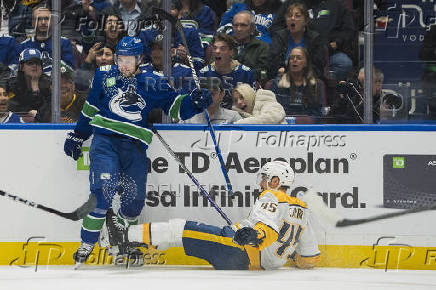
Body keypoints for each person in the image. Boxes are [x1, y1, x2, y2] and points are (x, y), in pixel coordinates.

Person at [63, 36, 213, 267]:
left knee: (134, 203)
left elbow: (175, 108)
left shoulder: (154, 81)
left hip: (134, 147)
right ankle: (87, 243)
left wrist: (194, 102)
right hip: (105, 142)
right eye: (119, 58)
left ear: (139, 59)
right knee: (103, 193)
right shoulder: (104, 75)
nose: (123, 64)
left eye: (128, 59)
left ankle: (119, 235)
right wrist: (78, 134)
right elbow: (90, 108)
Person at [103, 160, 321, 270]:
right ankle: (138, 245)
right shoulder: (302, 210)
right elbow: (309, 257)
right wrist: (290, 257)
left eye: (265, 178)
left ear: (275, 182)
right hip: (258, 262)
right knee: (190, 235)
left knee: (182, 228)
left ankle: (122, 236)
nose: (262, 182)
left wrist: (256, 237)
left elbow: (267, 229)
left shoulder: (272, 196)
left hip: (240, 250)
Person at [268, 2, 326, 80]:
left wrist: (298, 74)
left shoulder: (315, 39)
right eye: (289, 16)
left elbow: (318, 69)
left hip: (307, 80)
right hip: (282, 79)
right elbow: (272, 65)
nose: (292, 18)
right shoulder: (279, 37)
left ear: (306, 21)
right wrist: (280, 71)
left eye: (297, 16)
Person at [270, 46, 327, 123]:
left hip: (308, 129)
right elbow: (270, 110)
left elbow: (319, 114)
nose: (294, 60)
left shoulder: (317, 85)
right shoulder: (276, 83)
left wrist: (305, 121)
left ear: (306, 63)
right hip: (282, 126)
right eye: (292, 58)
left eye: (299, 58)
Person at [199, 33, 255, 109]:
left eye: (222, 49)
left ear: (231, 52)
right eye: (215, 48)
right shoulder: (204, 73)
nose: (217, 51)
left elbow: (252, 102)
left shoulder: (246, 73)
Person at [18, 4, 76, 74]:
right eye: (39, 19)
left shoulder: (63, 43)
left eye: (46, 19)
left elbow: (69, 71)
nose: (43, 22)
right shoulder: (23, 46)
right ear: (33, 23)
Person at [8, 48, 51, 121]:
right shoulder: (12, 84)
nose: (34, 66)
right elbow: (10, 104)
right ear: (22, 67)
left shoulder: (49, 84)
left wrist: (35, 84)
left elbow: (51, 106)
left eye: (37, 63)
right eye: (30, 63)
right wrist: (28, 111)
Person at [231, 11, 269, 83]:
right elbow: (212, 67)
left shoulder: (262, 47)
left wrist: (242, 74)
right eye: (236, 25)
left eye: (243, 25)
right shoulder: (225, 45)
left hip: (251, 86)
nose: (239, 29)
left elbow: (264, 73)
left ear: (252, 28)